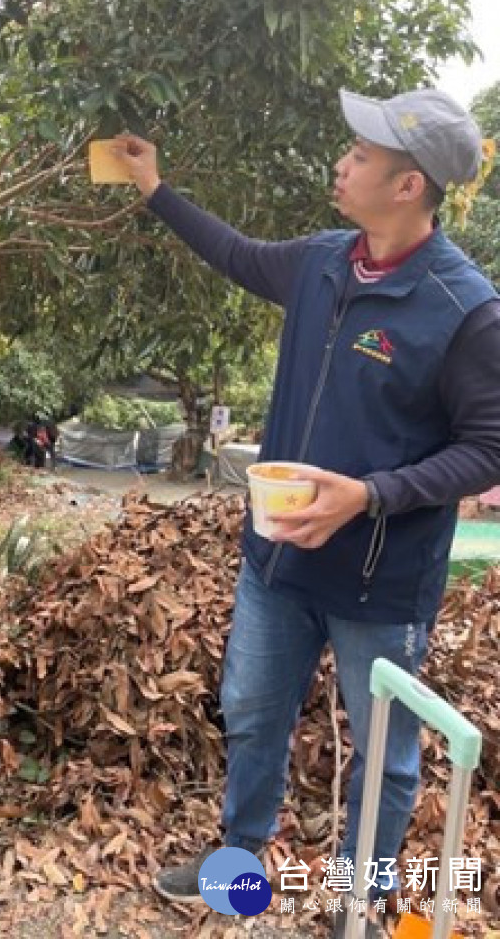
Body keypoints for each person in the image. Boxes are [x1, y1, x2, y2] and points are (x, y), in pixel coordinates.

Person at [110, 88, 500, 936]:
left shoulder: (464, 310)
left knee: (385, 757)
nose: (341, 164)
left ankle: (357, 900)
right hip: (278, 560)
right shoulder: (323, 259)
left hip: (380, 579)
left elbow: (489, 448)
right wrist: (155, 190)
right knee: (250, 707)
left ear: (407, 186)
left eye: (359, 156)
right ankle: (242, 858)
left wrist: (369, 496)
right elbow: (240, 256)